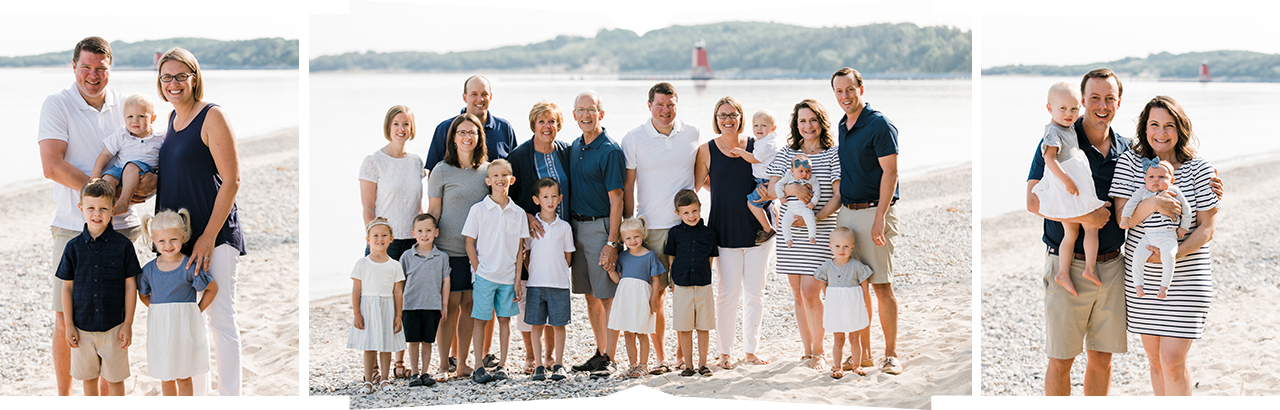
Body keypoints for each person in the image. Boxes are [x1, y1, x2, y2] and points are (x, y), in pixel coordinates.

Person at [39, 36, 149, 396]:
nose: (92, 75)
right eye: (85, 67)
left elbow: (145, 149)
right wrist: (98, 198)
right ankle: (64, 398)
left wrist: (144, 186)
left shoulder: (125, 105)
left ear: (110, 69)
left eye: (100, 68)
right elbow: (52, 165)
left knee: (114, 320)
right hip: (72, 228)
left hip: (123, 227)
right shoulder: (57, 104)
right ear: (74, 67)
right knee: (66, 319)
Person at [1110, 95, 1219, 396]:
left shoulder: (1200, 169)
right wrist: (1154, 203)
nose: (1161, 132)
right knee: (1155, 361)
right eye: (1154, 124)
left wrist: (1173, 253)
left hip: (1185, 276)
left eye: (1169, 125)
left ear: (1180, 129)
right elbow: (1123, 218)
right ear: (1144, 128)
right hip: (1142, 278)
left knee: (1172, 360)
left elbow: (1207, 228)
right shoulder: (1130, 163)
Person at [155, 47, 245, 395]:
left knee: (220, 318)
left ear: (194, 78)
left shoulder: (212, 116)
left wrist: (208, 237)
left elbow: (233, 180)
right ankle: (200, 396)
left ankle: (231, 396)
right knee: (188, 320)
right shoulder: (169, 119)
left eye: (181, 76)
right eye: (167, 77)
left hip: (215, 235)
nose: (174, 83)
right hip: (179, 240)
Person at [621, 82, 701, 373]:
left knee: (684, 292)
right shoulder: (633, 138)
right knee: (655, 296)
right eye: (659, 105)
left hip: (685, 228)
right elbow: (628, 186)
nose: (665, 110)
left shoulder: (692, 133)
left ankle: (683, 355)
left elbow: (701, 177)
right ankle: (660, 357)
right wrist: (628, 226)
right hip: (651, 228)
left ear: (676, 104)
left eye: (670, 104)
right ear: (649, 106)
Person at [830, 67, 903, 375]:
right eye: (839, 91)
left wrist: (880, 218)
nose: (845, 96)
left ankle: (891, 355)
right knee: (855, 287)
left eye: (850, 89)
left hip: (876, 211)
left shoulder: (880, 125)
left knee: (881, 285)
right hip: (847, 213)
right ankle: (866, 354)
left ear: (861, 88)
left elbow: (891, 172)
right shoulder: (843, 125)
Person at [761, 99, 843, 370]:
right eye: (802, 121)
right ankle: (807, 350)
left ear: (822, 122)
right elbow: (772, 190)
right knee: (797, 294)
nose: (808, 126)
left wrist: (814, 220)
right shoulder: (787, 153)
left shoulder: (832, 153)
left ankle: (819, 352)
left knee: (811, 292)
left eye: (813, 120)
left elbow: (838, 195)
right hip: (790, 235)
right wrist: (793, 191)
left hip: (818, 232)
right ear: (796, 125)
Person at [693, 96, 773, 369]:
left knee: (755, 292)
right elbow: (699, 182)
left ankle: (751, 350)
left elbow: (773, 173)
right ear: (715, 120)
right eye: (722, 115)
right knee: (727, 293)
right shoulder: (706, 149)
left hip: (757, 230)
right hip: (723, 227)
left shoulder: (756, 144)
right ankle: (725, 352)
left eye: (733, 115)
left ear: (741, 117)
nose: (727, 120)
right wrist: (722, 193)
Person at [56, 179, 142, 396]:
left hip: (114, 328)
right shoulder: (72, 248)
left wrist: (128, 324)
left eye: (103, 208)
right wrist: (69, 325)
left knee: (115, 381)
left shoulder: (123, 246)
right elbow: (66, 288)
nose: (97, 214)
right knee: (89, 381)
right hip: (82, 329)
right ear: (81, 209)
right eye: (91, 208)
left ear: (113, 210)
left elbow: (131, 286)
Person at [425, 113, 490, 379]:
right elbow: (433, 211)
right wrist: (427, 247)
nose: (467, 137)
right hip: (447, 250)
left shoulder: (486, 170)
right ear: (453, 138)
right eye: (461, 132)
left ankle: (463, 364)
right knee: (448, 307)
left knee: (470, 307)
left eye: (472, 133)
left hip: (477, 252)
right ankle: (443, 364)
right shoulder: (441, 170)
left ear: (479, 138)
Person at [508, 101, 570, 373]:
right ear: (533, 124)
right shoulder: (519, 156)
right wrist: (527, 215)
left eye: (552, 121)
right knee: (529, 294)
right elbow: (507, 197)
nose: (547, 126)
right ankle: (531, 356)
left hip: (560, 230)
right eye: (542, 121)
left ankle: (551, 356)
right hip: (530, 233)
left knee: (553, 291)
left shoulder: (565, 151)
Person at [567, 91, 626, 375]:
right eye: (580, 110)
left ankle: (611, 357)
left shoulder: (610, 150)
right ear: (574, 115)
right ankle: (600, 351)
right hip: (577, 228)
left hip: (601, 228)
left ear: (600, 114)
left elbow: (617, 199)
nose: (586, 115)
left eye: (591, 110)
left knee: (607, 296)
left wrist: (612, 242)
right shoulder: (576, 147)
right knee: (590, 295)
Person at [1032, 82, 1107, 297]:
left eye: (1074, 109)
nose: (1069, 113)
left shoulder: (1068, 127)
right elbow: (1049, 159)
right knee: (1087, 228)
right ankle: (1079, 271)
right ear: (1050, 109)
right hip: (1065, 188)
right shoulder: (1053, 132)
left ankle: (1070, 272)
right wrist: (1066, 181)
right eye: (1063, 108)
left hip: (1074, 186)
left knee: (1073, 232)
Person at [460, 159, 530, 383]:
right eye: (495, 176)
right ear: (488, 181)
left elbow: (520, 250)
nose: (500, 179)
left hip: (508, 278)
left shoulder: (518, 213)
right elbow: (469, 243)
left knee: (504, 321)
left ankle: (503, 365)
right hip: (484, 277)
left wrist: (518, 280)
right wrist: (478, 270)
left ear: (511, 180)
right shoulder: (479, 210)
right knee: (480, 319)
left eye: (504, 175)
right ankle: (479, 366)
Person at [138, 208, 219, 396]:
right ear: (153, 240)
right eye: (162, 241)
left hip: (184, 329)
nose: (168, 245)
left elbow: (212, 288)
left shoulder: (189, 266)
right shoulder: (149, 270)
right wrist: (159, 311)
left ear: (183, 236)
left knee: (183, 376)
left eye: (173, 239)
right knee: (165, 377)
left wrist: (196, 310)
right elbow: (143, 295)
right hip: (161, 330)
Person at [522, 178, 575, 382]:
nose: (550, 200)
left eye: (554, 196)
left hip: (559, 284)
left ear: (560, 198)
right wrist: (534, 271)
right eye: (545, 197)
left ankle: (559, 364)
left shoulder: (564, 227)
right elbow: (526, 256)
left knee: (558, 325)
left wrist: (558, 270)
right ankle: (538, 365)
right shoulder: (531, 227)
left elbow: (568, 256)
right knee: (536, 325)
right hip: (535, 284)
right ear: (537, 200)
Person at [347, 217, 407, 395]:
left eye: (384, 235)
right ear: (368, 240)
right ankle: (368, 381)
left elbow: (398, 292)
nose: (379, 239)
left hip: (387, 307)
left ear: (391, 239)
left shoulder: (394, 265)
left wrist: (398, 315)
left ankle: (385, 379)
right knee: (369, 345)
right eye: (375, 235)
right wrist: (357, 313)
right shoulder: (362, 263)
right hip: (368, 307)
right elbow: (356, 290)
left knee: (386, 344)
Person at [1117, 159, 1192, 299]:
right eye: (1151, 177)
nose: (1156, 179)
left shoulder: (1174, 191)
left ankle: (1164, 287)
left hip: (1168, 235)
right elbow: (1130, 204)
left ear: (1172, 180)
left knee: (1169, 257)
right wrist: (1125, 218)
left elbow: (1187, 210)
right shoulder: (1142, 192)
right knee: (1137, 257)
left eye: (1162, 177)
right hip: (1148, 235)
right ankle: (1138, 284)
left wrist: (1183, 227)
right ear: (1145, 179)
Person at [359, 105, 425, 261]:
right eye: (396, 123)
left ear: (411, 128)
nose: (401, 129)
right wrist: (376, 242)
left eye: (406, 124)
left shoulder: (417, 162)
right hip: (386, 242)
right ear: (388, 126)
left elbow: (417, 204)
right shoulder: (373, 161)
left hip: (413, 242)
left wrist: (422, 235)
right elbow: (368, 208)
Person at [664, 189, 718, 377]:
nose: (691, 216)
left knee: (704, 326)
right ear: (677, 214)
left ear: (700, 208)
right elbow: (671, 257)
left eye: (694, 211)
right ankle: (688, 365)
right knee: (685, 327)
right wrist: (673, 280)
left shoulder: (709, 233)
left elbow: (711, 259)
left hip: (703, 285)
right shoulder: (675, 233)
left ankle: (703, 364)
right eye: (685, 212)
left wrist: (705, 275)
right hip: (681, 285)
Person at [606, 216, 666, 378]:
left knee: (641, 332)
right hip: (625, 298)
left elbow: (655, 279)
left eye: (636, 237)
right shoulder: (623, 257)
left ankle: (643, 365)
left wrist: (654, 299)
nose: (633, 241)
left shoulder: (649, 256)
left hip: (641, 298)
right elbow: (619, 279)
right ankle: (632, 365)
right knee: (628, 333)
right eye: (628, 238)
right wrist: (610, 270)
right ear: (622, 239)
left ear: (643, 235)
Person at [90, 93, 164, 216]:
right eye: (130, 116)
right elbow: (106, 155)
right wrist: (95, 176)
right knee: (107, 179)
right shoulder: (121, 134)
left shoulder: (160, 136)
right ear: (124, 118)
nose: (135, 120)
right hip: (120, 169)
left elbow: (170, 156)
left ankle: (123, 203)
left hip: (143, 171)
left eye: (141, 116)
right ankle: (107, 213)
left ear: (153, 118)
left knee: (131, 167)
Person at [424, 75, 517, 173]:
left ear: (490, 96)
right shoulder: (445, 129)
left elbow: (515, 168)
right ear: (465, 97)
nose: (480, 99)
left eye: (484, 94)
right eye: (474, 94)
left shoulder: (504, 128)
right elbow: (434, 174)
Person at [399, 214, 450, 387]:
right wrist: (398, 307)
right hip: (410, 306)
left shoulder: (442, 257)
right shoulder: (407, 256)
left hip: (432, 306)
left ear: (436, 233)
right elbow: (400, 283)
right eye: (420, 231)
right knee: (413, 341)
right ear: (413, 233)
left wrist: (444, 306)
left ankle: (426, 371)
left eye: (428, 230)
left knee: (428, 341)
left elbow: (446, 281)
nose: (424, 234)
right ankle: (414, 373)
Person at [815, 228, 872, 379]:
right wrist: (827, 295)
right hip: (836, 306)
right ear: (831, 247)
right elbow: (822, 280)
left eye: (846, 246)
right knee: (838, 338)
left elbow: (865, 283)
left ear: (852, 247)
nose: (842, 250)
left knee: (855, 338)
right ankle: (838, 367)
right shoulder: (827, 266)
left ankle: (856, 365)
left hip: (853, 305)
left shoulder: (856, 266)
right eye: (838, 246)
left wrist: (863, 300)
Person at [733, 109, 783, 243]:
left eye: (764, 125)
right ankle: (778, 226)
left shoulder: (767, 143)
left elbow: (755, 158)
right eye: (756, 125)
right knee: (771, 205)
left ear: (773, 128)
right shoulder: (766, 141)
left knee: (753, 203)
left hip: (766, 180)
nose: (759, 128)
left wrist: (740, 152)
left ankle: (768, 228)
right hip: (768, 178)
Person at [775, 154, 821, 247]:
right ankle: (788, 239)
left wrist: (813, 202)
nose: (804, 174)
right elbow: (778, 185)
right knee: (785, 222)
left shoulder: (812, 179)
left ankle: (812, 236)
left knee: (810, 219)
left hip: (805, 207)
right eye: (801, 171)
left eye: (808, 171)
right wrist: (781, 197)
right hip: (791, 209)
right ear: (792, 171)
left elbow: (817, 191)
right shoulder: (788, 176)